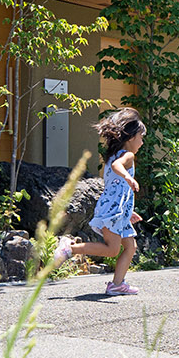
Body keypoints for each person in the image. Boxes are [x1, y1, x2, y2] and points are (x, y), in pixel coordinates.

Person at [51, 107, 145, 296]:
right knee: (112, 250)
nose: (142, 142)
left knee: (130, 246)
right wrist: (128, 177)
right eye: (141, 137)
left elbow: (115, 188)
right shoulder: (126, 156)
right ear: (131, 138)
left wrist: (128, 211)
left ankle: (117, 284)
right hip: (113, 210)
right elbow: (119, 170)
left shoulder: (114, 155)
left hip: (116, 210)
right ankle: (70, 248)